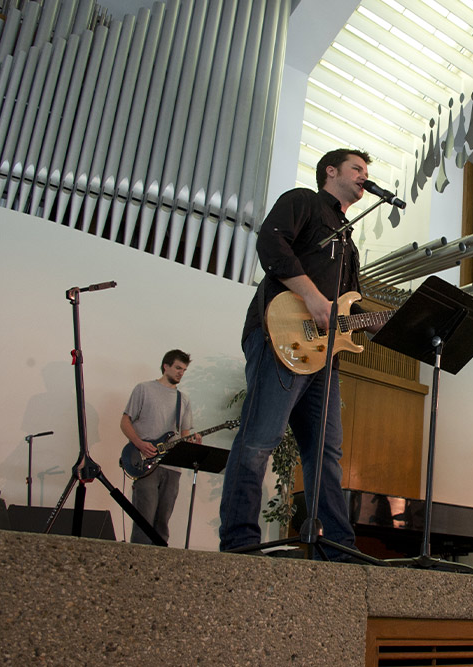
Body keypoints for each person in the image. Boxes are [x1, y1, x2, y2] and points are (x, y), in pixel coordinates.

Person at [219, 148, 378, 559]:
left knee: (325, 452)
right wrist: (311, 297)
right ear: (331, 171)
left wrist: (390, 321)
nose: (364, 176)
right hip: (279, 335)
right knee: (259, 439)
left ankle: (338, 549)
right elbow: (271, 244)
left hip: (324, 356)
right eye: (356, 168)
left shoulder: (348, 242)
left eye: (366, 170)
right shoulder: (303, 201)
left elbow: (347, 308)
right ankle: (239, 543)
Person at [120, 349, 201, 545]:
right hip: (145, 462)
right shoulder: (144, 389)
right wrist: (140, 444)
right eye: (177, 368)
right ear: (166, 366)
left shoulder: (183, 399)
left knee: (162, 522)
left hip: (172, 467)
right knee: (143, 519)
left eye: (184, 370)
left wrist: (192, 440)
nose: (181, 373)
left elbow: (183, 433)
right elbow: (124, 421)